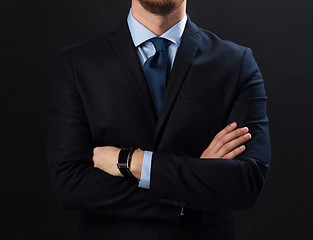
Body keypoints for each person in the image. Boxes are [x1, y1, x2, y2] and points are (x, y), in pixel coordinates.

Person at [47, 0, 271, 239]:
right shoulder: (79, 62)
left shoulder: (237, 63)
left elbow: (246, 182)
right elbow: (70, 184)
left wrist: (133, 161)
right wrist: (195, 183)